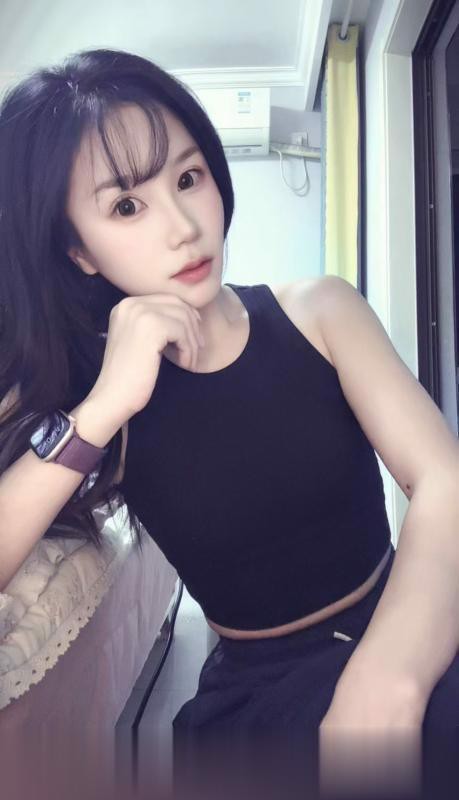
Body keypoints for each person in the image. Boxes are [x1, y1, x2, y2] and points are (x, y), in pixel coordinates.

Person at [0, 47, 458, 799]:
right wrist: (106, 404)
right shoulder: (99, 401)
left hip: (410, 622)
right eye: (126, 207)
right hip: (257, 700)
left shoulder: (320, 311)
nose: (184, 227)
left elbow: (442, 479)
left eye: (188, 178)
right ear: (78, 249)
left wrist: (389, 679)